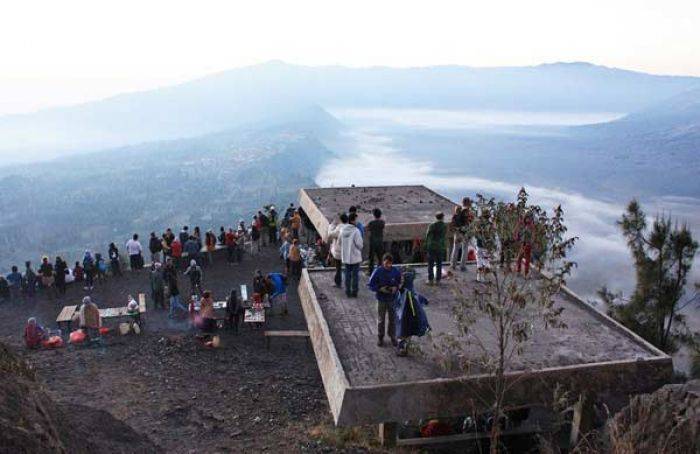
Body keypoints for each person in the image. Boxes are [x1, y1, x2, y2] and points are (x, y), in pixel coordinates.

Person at [394, 266, 431, 356]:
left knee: (403, 333)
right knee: (407, 333)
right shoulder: (411, 291)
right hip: (410, 317)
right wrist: (425, 301)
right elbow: (419, 298)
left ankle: (402, 348)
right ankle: (404, 347)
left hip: (403, 317)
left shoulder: (404, 292)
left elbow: (397, 302)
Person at [368, 253, 402, 347]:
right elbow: (370, 285)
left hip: (392, 299)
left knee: (393, 319)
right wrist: (379, 288)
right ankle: (380, 336)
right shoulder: (377, 271)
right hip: (381, 299)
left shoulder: (395, 271)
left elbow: (399, 282)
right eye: (386, 263)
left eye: (389, 263)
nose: (388, 265)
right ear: (383, 262)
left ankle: (392, 336)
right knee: (381, 319)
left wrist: (396, 288)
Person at [340, 212, 364, 298]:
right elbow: (360, 244)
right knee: (355, 275)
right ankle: (354, 292)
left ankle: (347, 291)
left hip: (346, 256)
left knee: (347, 274)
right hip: (355, 257)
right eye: (356, 219)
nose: (357, 221)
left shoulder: (342, 230)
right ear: (352, 220)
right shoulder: (356, 231)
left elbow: (340, 242)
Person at [425, 212, 447, 286]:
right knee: (439, 264)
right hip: (440, 247)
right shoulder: (444, 226)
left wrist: (427, 245)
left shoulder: (432, 225)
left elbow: (427, 235)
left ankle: (430, 280)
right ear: (442, 217)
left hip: (432, 246)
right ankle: (438, 280)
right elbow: (444, 236)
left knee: (430, 264)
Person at [367, 208, 385, 275]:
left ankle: (370, 272)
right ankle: (380, 271)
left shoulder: (371, 223)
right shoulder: (382, 222)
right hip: (380, 242)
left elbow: (367, 229)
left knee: (371, 258)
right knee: (380, 258)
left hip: (373, 242)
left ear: (374, 215)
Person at [450, 205, 468, 271]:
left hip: (457, 234)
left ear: (456, 210)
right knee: (465, 250)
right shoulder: (465, 216)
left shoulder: (454, 216)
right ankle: (462, 266)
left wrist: (457, 229)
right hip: (465, 234)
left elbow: (452, 226)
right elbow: (467, 224)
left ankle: (453, 265)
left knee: (455, 249)